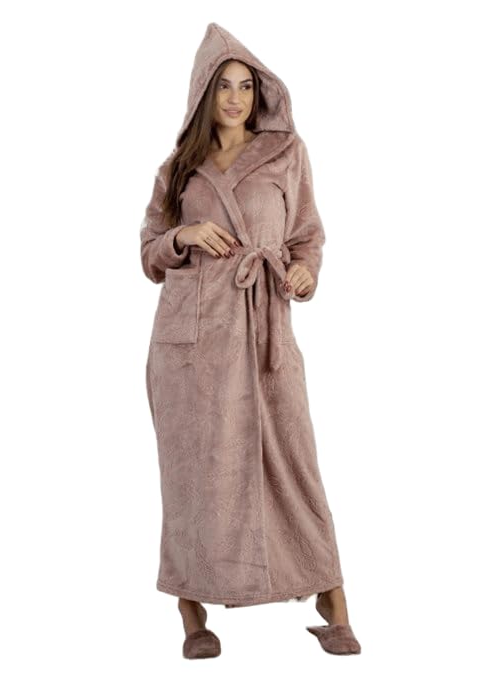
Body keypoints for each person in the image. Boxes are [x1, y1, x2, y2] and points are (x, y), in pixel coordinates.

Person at [139, 22, 361, 659]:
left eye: (245, 86)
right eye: (223, 86)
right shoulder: (178, 168)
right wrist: (182, 237)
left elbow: (307, 235)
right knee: (196, 472)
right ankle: (192, 611)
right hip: (192, 342)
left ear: (260, 92)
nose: (235, 98)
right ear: (203, 93)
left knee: (293, 461)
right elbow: (149, 251)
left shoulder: (285, 152)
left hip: (264, 331)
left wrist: (304, 271)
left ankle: (332, 600)